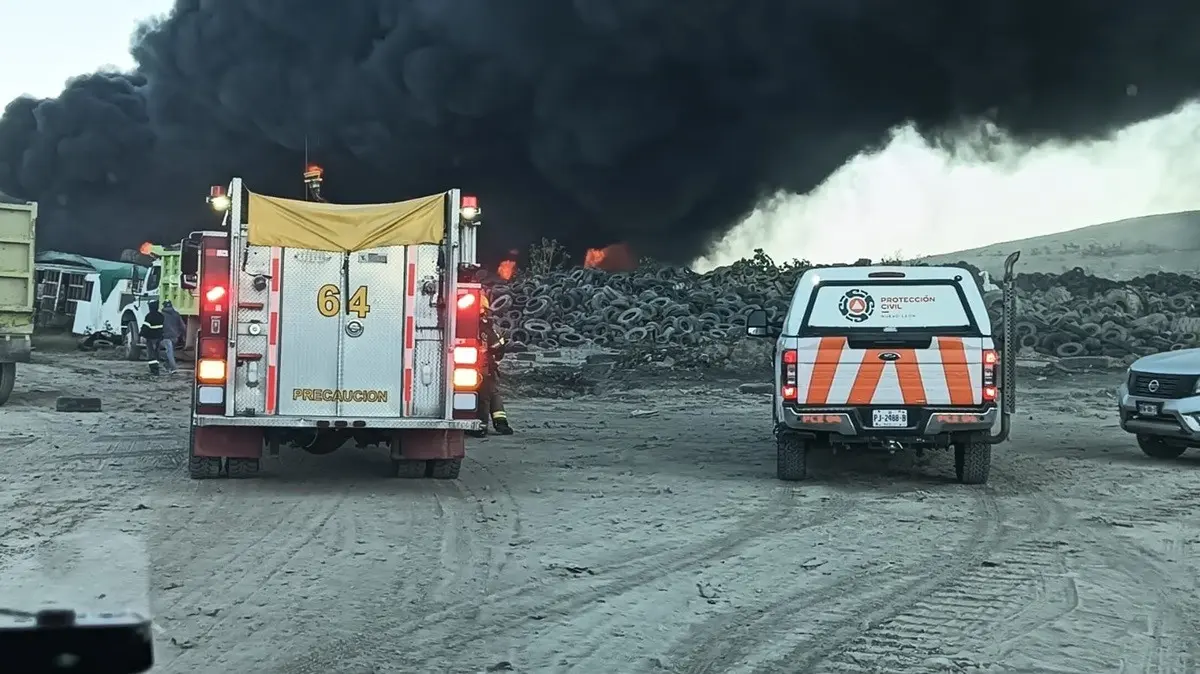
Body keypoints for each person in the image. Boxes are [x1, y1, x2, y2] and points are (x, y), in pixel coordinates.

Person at [469, 293, 513, 437]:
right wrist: (502, 342)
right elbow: (497, 347)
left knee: (487, 396)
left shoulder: (478, 325)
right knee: (490, 395)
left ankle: (486, 425)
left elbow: (494, 346)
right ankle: (497, 424)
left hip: (481, 368)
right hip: (485, 368)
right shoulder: (486, 326)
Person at [161, 300, 186, 374]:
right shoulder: (176, 314)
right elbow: (183, 326)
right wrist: (183, 335)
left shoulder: (162, 315)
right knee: (170, 352)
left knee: (169, 353)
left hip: (165, 337)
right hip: (175, 337)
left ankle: (173, 368)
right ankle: (167, 366)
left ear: (164, 306)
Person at [139, 302, 164, 374]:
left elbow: (145, 328)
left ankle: (153, 370)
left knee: (151, 354)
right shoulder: (161, 316)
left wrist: (141, 334)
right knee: (156, 353)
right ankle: (157, 368)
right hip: (159, 338)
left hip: (150, 338)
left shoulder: (149, 316)